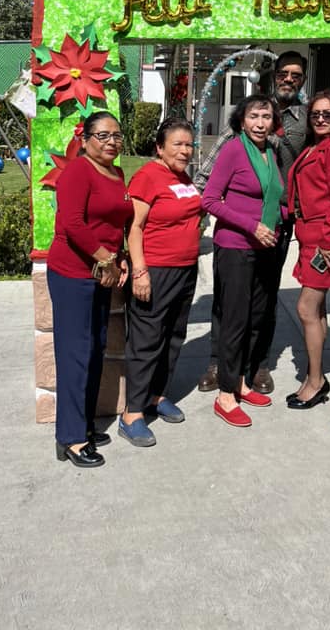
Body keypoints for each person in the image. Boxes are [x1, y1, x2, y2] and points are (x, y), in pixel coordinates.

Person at [195, 50, 308, 394]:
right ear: (273, 76)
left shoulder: (307, 120)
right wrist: (194, 221)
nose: (289, 79)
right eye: (283, 74)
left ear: (302, 80)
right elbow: (206, 181)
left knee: (265, 298)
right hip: (241, 231)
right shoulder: (245, 128)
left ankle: (258, 364)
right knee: (228, 300)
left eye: (296, 75)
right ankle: (220, 362)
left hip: (278, 224)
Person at [47, 112, 131, 468]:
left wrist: (121, 257)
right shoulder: (78, 171)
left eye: (116, 135)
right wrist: (106, 260)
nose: (111, 142)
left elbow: (116, 223)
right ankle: (70, 437)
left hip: (102, 274)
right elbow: (72, 224)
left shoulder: (117, 173)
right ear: (85, 139)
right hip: (73, 274)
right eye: (102, 135)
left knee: (96, 348)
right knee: (74, 354)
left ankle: (84, 422)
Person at [201, 95, 285, 427]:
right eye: (254, 116)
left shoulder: (269, 153)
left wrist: (282, 219)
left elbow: (273, 194)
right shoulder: (234, 149)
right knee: (234, 320)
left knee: (256, 317)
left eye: (266, 116)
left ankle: (241, 382)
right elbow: (210, 199)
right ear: (242, 120)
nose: (261, 123)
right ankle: (225, 395)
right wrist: (252, 226)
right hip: (236, 245)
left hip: (266, 246)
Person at [119, 118, 202, 447]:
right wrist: (140, 271)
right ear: (159, 147)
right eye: (177, 144)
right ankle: (132, 413)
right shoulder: (148, 177)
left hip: (185, 270)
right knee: (146, 340)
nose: (185, 150)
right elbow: (134, 228)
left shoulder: (182, 176)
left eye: (189, 144)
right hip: (156, 270)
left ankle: (157, 395)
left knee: (173, 336)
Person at [285, 90, 330, 410]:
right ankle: (316, 376)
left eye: (329, 114)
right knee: (317, 309)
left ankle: (315, 381)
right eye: (316, 114)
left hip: (322, 239)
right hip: (309, 235)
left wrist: (328, 241)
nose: (322, 119)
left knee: (305, 308)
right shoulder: (315, 145)